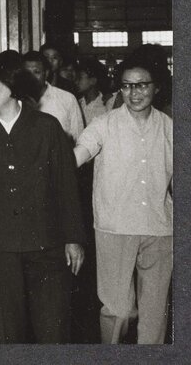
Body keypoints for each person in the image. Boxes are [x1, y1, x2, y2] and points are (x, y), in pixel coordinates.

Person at [0, 50, 86, 343]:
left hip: (46, 246)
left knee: (52, 328)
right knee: (5, 331)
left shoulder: (47, 128)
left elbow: (66, 186)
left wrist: (73, 238)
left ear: (11, 85)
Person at [74, 56, 172, 344]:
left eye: (141, 85)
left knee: (155, 313)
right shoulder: (104, 124)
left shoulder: (170, 127)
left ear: (157, 88)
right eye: (127, 86)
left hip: (160, 228)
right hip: (115, 228)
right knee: (118, 310)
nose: (134, 93)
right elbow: (80, 152)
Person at [22, 51, 85, 143]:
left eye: (36, 72)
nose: (31, 77)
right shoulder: (16, 101)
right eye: (27, 73)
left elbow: (79, 138)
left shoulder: (67, 99)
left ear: (46, 73)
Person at [75, 58, 114, 125]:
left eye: (80, 77)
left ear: (93, 80)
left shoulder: (105, 106)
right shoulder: (77, 103)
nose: (76, 82)